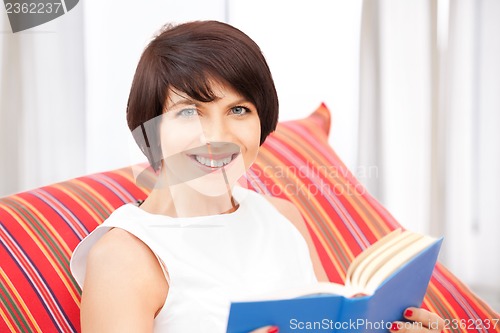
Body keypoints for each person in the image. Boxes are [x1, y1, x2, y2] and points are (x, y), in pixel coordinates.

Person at [70, 20, 445, 333]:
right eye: (189, 112)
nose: (218, 136)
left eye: (238, 109)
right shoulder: (125, 256)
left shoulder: (283, 217)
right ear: (149, 128)